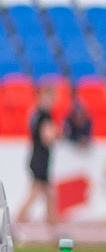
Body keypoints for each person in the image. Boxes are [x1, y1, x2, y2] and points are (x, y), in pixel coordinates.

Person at [19, 80, 61, 229]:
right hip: (40, 157)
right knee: (36, 193)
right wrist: (58, 132)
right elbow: (46, 137)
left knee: (49, 194)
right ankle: (14, 225)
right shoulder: (44, 114)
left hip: (37, 155)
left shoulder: (35, 112)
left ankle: (53, 227)